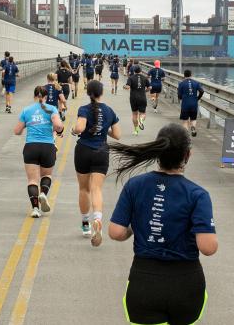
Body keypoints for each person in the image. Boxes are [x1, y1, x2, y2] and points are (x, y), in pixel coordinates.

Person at [108, 124, 218, 325]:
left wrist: (138, 226)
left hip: (145, 281)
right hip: (186, 283)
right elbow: (208, 247)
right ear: (188, 155)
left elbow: (116, 232)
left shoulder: (135, 185)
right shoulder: (198, 195)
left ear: (157, 151)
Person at [72, 79, 122, 246]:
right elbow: (117, 135)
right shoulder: (110, 111)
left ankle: (86, 223)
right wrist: (103, 128)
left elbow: (79, 128)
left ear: (88, 93)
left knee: (84, 188)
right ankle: (98, 219)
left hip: (84, 150)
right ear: (101, 93)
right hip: (101, 152)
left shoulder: (84, 109)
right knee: (97, 189)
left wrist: (73, 129)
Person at [14, 86, 65, 217]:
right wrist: (58, 131)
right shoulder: (51, 109)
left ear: (34, 96)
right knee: (46, 176)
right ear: (46, 97)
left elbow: (17, 131)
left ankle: (35, 209)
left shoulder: (26, 110)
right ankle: (43, 193)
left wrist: (28, 123)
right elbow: (59, 125)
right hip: (47, 147)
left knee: (32, 180)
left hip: (31, 147)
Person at [177, 69, 204, 137]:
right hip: (194, 103)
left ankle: (186, 134)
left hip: (185, 104)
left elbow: (179, 95)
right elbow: (202, 91)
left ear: (184, 75)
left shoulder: (181, 84)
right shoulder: (196, 83)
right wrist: (198, 98)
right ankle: (193, 128)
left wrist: (181, 98)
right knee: (193, 119)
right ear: (191, 75)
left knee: (185, 121)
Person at [125, 67, 150, 135]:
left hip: (133, 98)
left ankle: (136, 130)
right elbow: (150, 87)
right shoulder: (145, 78)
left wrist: (124, 87)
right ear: (141, 71)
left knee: (134, 114)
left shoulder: (131, 78)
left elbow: (127, 87)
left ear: (134, 71)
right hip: (142, 97)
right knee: (142, 113)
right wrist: (145, 91)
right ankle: (141, 121)